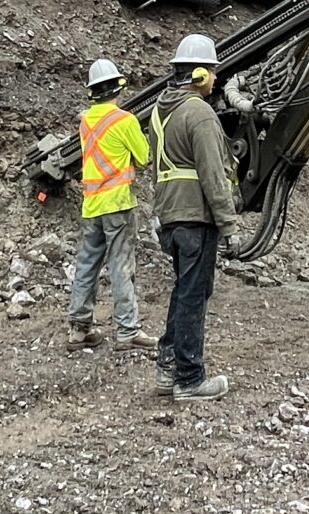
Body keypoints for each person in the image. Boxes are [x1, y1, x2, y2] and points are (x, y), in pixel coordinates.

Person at [149, 31, 238, 400]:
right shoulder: (199, 112)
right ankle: (189, 377)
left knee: (185, 290)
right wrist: (229, 224)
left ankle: (167, 367)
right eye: (213, 71)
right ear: (199, 74)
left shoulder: (160, 110)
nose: (216, 78)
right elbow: (213, 174)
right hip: (194, 216)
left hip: (169, 215)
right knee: (193, 294)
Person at [67, 56, 150, 351]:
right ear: (118, 86)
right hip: (117, 204)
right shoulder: (125, 120)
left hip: (91, 205)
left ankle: (79, 329)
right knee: (121, 265)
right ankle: (128, 330)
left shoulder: (86, 121)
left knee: (87, 264)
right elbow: (144, 157)